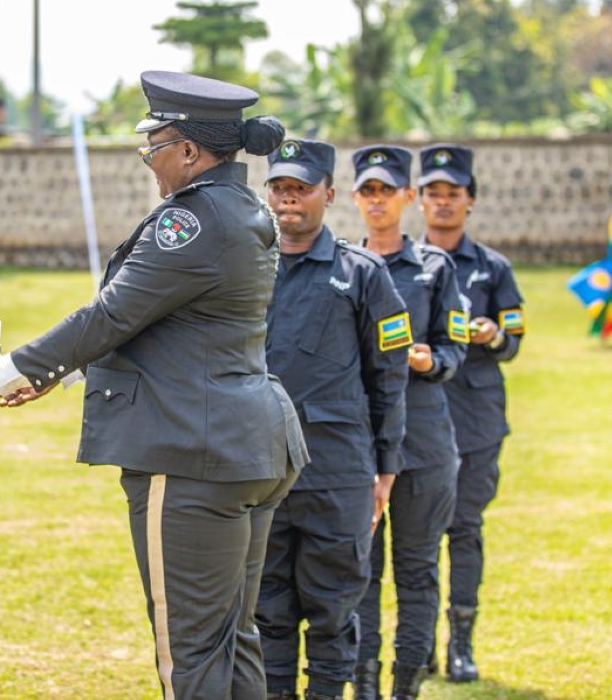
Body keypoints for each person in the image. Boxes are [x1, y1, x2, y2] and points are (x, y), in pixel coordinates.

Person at [0, 70, 308, 700]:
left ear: (188, 150)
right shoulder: (241, 207)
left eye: (152, 146)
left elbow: (110, 314)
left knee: (187, 654)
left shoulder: (189, 221)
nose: (148, 162)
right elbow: (174, 324)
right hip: (246, 445)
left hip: (192, 453)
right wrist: (60, 374)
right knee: (230, 641)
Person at [256, 139, 409, 700]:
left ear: (329, 194)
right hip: (259, 472)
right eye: (279, 187)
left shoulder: (363, 274)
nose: (288, 199)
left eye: (301, 188)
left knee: (332, 612)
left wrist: (386, 469)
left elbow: (389, 379)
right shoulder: (245, 268)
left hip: (337, 474)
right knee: (265, 611)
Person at [348, 145, 469, 700]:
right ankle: (365, 683)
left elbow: (456, 343)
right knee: (359, 575)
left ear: (407, 198)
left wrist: (432, 361)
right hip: (360, 443)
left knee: (417, 571)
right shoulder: (341, 266)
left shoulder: (434, 268)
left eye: (387, 191)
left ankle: (407, 688)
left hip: (421, 438)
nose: (377, 202)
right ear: (354, 198)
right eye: (367, 191)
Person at [418, 144, 525, 684]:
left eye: (452, 195)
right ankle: (420, 644)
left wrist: (495, 334)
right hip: (417, 418)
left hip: (477, 420)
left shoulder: (493, 269)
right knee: (414, 538)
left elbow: (515, 341)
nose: (442, 204)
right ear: (418, 201)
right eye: (433, 194)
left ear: (470, 201)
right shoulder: (400, 265)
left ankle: (460, 642)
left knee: (464, 528)